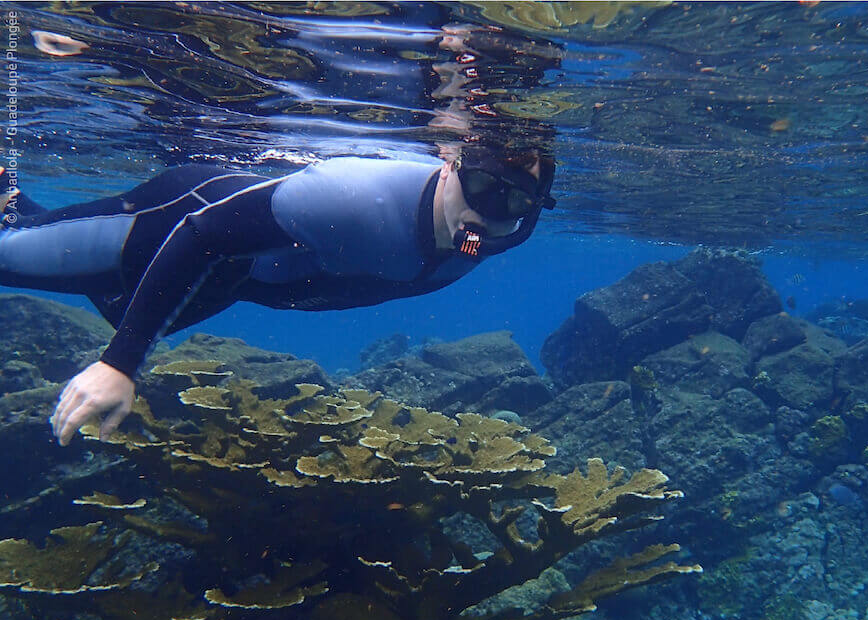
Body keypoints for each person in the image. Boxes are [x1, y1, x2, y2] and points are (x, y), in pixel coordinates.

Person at [0, 146, 556, 446]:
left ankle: (14, 202)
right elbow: (201, 234)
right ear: (449, 163)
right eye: (481, 187)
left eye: (514, 204)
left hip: (231, 280)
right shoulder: (354, 200)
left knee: (114, 301)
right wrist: (120, 364)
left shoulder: (500, 236)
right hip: (180, 224)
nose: (487, 214)